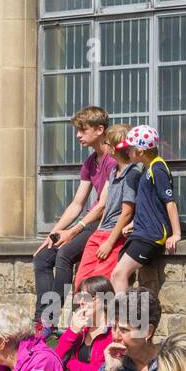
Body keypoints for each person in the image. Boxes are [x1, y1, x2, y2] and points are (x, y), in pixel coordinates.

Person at [34, 106, 116, 334]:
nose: (78, 135)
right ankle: (40, 319)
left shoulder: (112, 160)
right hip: (87, 221)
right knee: (43, 257)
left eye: (83, 130)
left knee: (65, 253)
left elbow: (102, 205)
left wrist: (72, 232)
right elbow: (77, 203)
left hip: (102, 223)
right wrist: (54, 233)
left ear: (100, 130)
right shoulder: (91, 162)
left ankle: (50, 319)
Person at [110, 125, 182, 293]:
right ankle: (127, 315)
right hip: (141, 233)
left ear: (140, 150)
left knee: (118, 275)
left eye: (130, 149)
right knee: (122, 277)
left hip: (151, 235)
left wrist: (176, 234)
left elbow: (169, 202)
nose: (127, 152)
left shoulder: (158, 169)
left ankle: (122, 318)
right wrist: (133, 223)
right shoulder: (147, 170)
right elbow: (148, 203)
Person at [74, 123, 140, 290]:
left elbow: (127, 213)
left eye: (107, 143)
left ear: (114, 148)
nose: (105, 146)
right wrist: (98, 230)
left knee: (100, 283)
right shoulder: (113, 172)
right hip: (101, 232)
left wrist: (110, 242)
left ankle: (101, 315)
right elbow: (107, 205)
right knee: (81, 280)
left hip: (114, 236)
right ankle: (82, 315)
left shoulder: (132, 174)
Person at [53, 275, 114, 371]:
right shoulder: (79, 330)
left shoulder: (114, 334)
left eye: (85, 297)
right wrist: (72, 332)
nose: (80, 302)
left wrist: (72, 365)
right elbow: (55, 361)